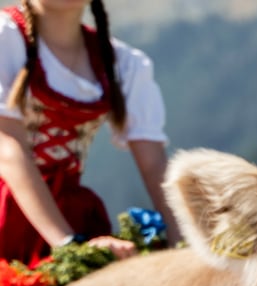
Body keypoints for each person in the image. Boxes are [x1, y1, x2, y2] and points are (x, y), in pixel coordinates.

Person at [0, 0, 180, 267]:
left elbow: (155, 165)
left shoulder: (121, 62)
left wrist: (183, 241)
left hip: (73, 217)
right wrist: (69, 245)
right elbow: (9, 149)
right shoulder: (5, 36)